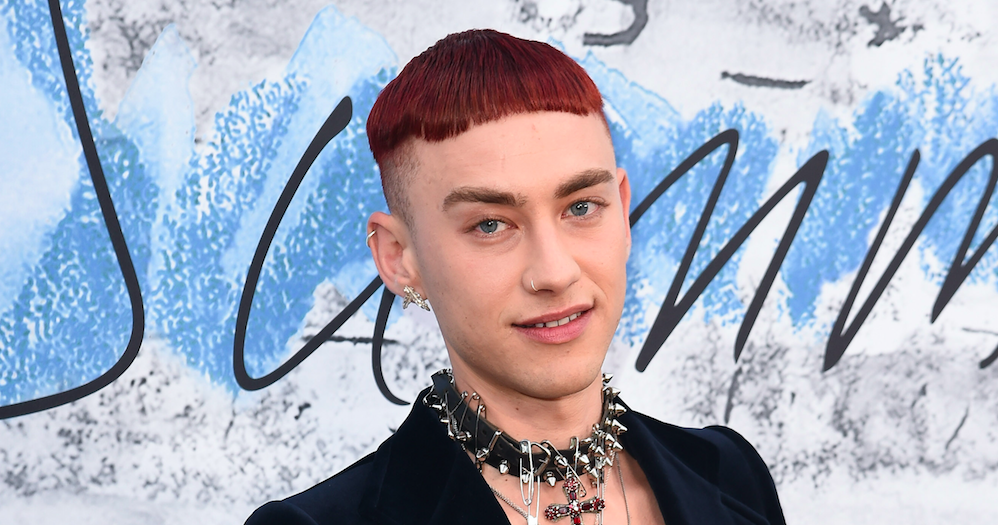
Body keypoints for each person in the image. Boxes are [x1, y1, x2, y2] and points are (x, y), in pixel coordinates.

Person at [245, 29, 785, 525]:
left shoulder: (729, 474)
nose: (554, 272)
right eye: (489, 224)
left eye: (580, 208)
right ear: (398, 258)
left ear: (622, 213)